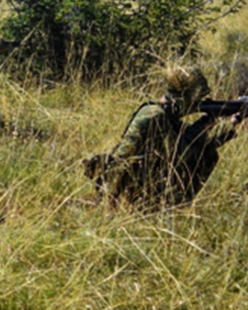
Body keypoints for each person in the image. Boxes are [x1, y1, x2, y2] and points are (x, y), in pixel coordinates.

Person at [85, 66, 242, 208]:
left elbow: (200, 142)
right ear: (183, 98)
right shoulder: (155, 116)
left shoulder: (165, 117)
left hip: (137, 183)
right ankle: (169, 206)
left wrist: (231, 123)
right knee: (207, 155)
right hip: (126, 190)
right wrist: (206, 122)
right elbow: (182, 155)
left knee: (208, 152)